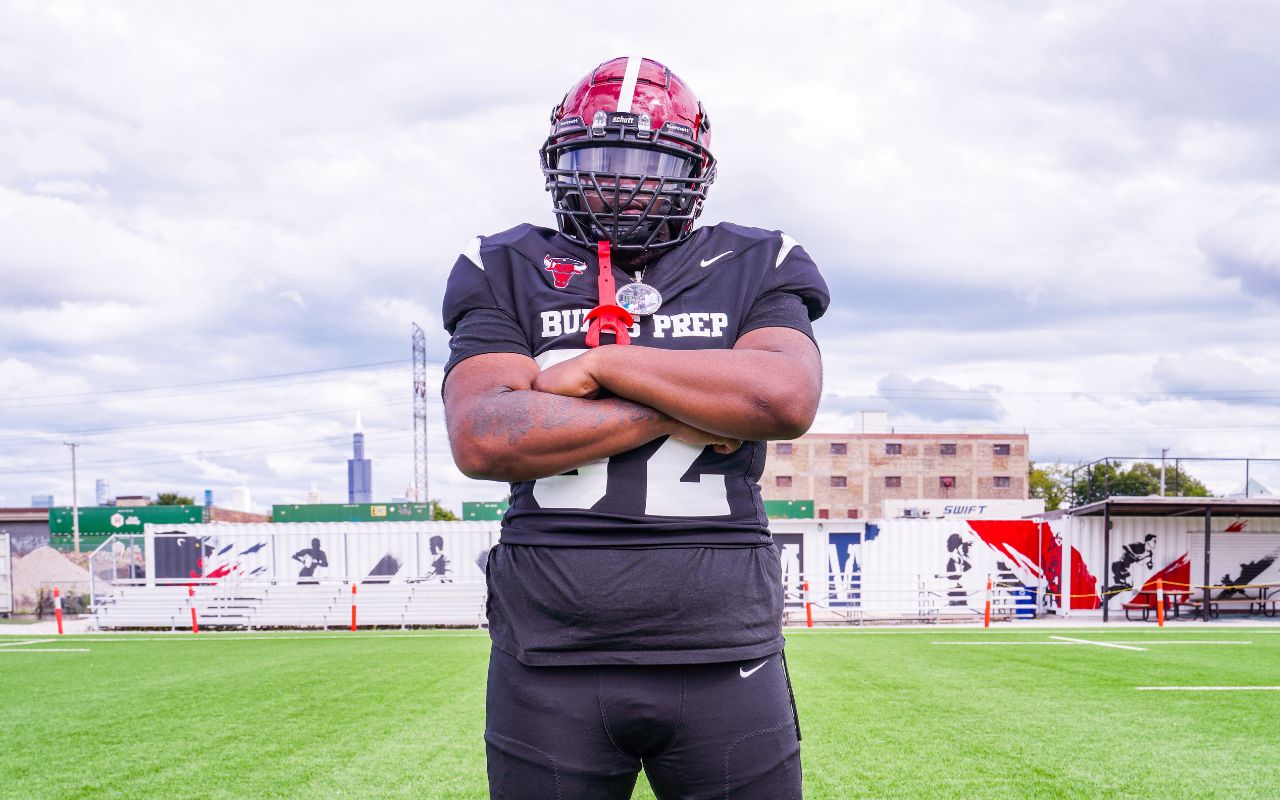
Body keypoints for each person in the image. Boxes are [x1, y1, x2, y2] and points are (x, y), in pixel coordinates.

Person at [441, 56, 828, 799]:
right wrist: (690, 401)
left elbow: (782, 399)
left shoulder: (755, 259)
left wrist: (602, 370)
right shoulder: (505, 264)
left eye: (646, 162)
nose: (620, 182)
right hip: (549, 654)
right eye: (595, 160)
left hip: (725, 652)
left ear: (693, 170)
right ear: (560, 164)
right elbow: (486, 436)